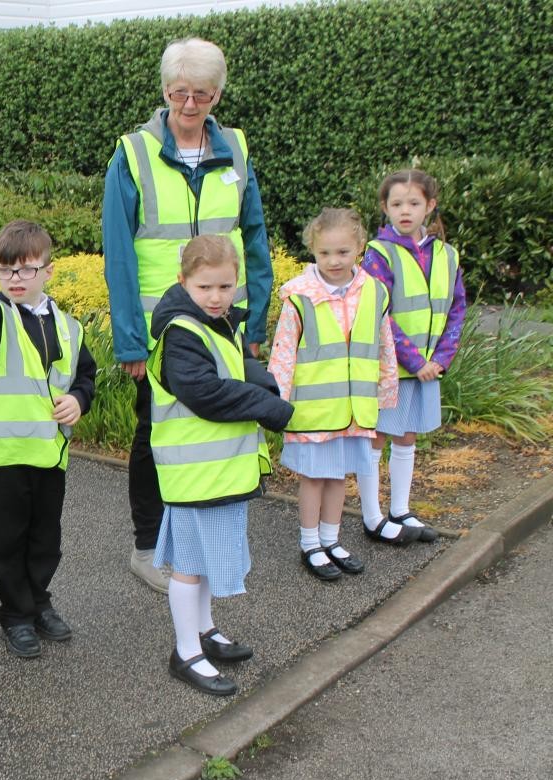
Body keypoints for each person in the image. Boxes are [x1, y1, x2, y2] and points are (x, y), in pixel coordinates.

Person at [102, 37, 272, 594]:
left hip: (225, 324)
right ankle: (147, 547)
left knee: (215, 429)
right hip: (163, 328)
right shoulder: (132, 154)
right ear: (165, 91)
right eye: (180, 93)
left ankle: (199, 550)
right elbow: (119, 253)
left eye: (202, 94)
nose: (190, 105)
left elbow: (255, 238)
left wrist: (255, 323)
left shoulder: (236, 149)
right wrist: (130, 341)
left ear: (217, 94)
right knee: (155, 433)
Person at [146, 235, 292, 696]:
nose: (216, 297)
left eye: (226, 287)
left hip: (216, 472)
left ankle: (204, 630)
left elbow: (234, 369)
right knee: (189, 566)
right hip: (193, 476)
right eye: (205, 287)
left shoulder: (217, 324)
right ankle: (186, 652)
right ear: (183, 281)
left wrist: (266, 384)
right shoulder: (181, 332)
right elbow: (205, 393)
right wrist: (270, 407)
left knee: (205, 560)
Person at [0, 221, 97, 659]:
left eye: (26, 269)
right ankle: (16, 614)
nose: (15, 278)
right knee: (9, 539)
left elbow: (85, 376)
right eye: (5, 269)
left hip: (49, 454)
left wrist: (79, 400)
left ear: (47, 271)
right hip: (3, 456)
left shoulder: (70, 326)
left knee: (45, 539)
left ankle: (38, 601)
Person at [269, 209, 399, 580]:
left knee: (339, 474)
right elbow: (283, 353)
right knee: (314, 477)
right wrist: (276, 403)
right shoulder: (299, 296)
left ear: (359, 247)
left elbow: (384, 344)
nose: (334, 260)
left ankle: (331, 539)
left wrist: (386, 390)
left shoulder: (374, 291)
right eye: (324, 253)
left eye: (343, 252)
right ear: (312, 250)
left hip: (354, 407)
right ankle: (310, 543)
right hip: (313, 410)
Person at [357, 170, 465, 544]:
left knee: (407, 436)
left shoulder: (447, 255)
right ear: (385, 207)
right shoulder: (379, 253)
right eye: (397, 204)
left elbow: (457, 309)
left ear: (429, 206)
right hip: (392, 368)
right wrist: (416, 362)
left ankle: (400, 510)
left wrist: (440, 359)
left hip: (428, 368)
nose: (405, 211)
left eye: (414, 203)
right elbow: (379, 312)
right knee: (376, 438)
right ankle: (372, 517)